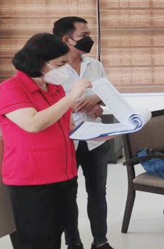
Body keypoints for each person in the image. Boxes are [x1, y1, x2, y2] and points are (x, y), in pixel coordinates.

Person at [0, 33, 92, 249]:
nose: (66, 69)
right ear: (40, 62)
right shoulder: (10, 88)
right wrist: (70, 98)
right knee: (36, 240)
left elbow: (66, 126)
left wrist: (97, 132)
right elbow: (33, 123)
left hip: (63, 173)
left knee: (55, 235)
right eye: (60, 64)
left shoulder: (53, 87)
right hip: (31, 179)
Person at [53, 16, 114, 249]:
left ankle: (101, 241)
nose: (90, 39)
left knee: (98, 192)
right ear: (67, 39)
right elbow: (49, 106)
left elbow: (107, 92)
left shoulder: (94, 65)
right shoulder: (53, 69)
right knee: (68, 195)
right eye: (84, 35)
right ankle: (73, 243)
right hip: (67, 141)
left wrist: (97, 100)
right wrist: (73, 104)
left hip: (96, 140)